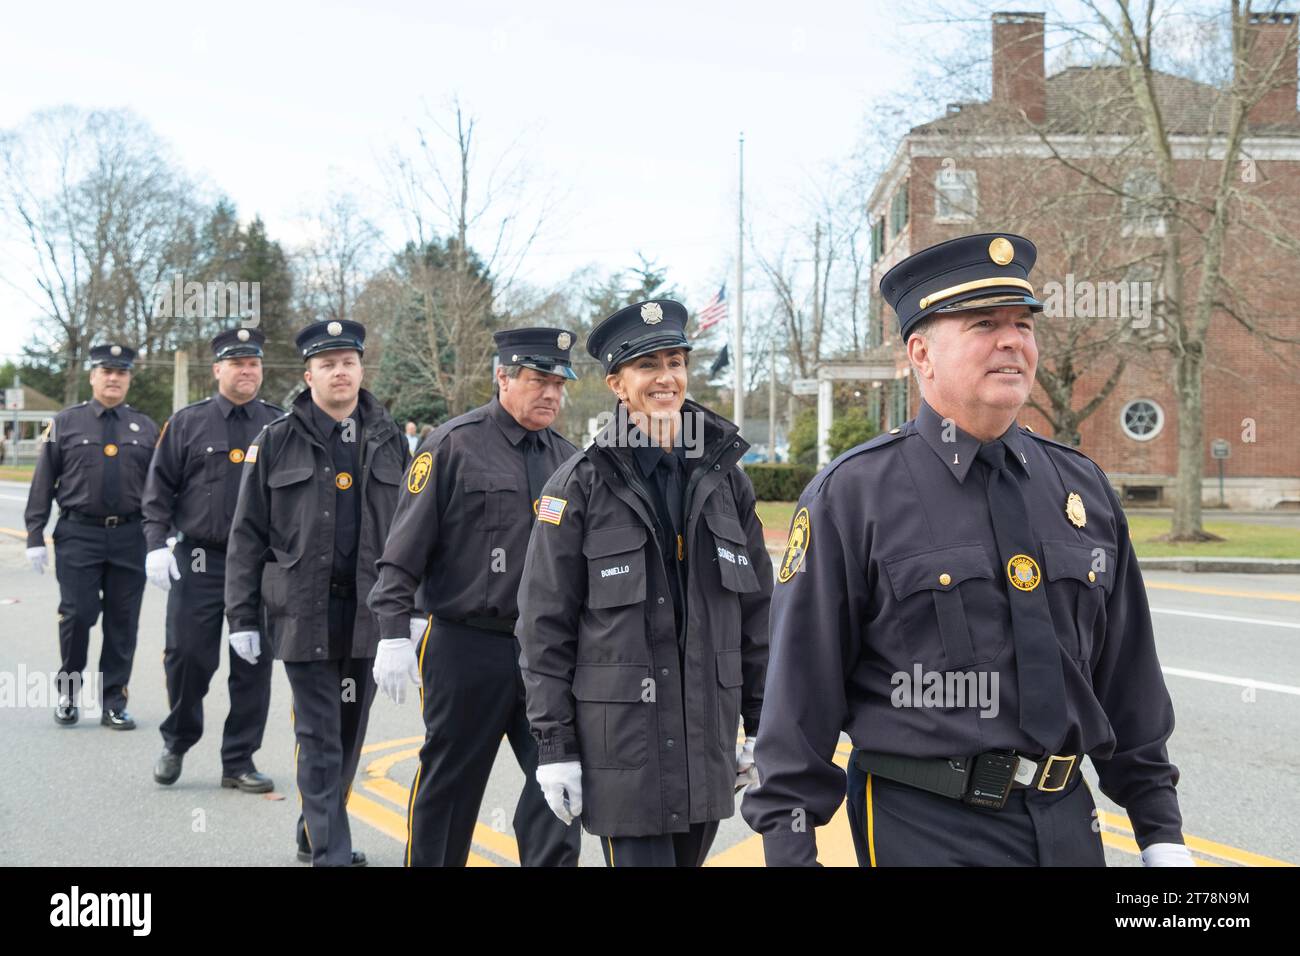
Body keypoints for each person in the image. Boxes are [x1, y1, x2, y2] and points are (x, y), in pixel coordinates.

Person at [742, 233, 1193, 867]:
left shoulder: (1080, 487)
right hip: (924, 824)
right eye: (984, 323)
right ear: (920, 352)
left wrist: (1160, 831)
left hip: (1066, 821)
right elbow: (799, 696)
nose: (1012, 341)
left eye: (1022, 324)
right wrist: (790, 852)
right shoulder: (854, 496)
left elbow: (1128, 675)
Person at [515, 300, 771, 867]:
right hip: (623, 749)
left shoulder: (726, 479)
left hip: (706, 742)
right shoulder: (577, 485)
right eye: (647, 365)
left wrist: (761, 723)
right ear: (617, 384)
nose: (667, 377)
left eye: (676, 361)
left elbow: (757, 614)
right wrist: (555, 748)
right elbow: (543, 625)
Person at [369, 327, 583, 867]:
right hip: (468, 646)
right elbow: (403, 549)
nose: (551, 394)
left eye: (560, 384)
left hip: (549, 654)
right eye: (539, 380)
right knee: (451, 784)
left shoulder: (571, 461)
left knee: (558, 787)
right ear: (503, 377)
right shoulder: (452, 444)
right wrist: (393, 630)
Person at [224, 319, 408, 866]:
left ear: (359, 369)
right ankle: (332, 850)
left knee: (350, 734)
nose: (339, 372)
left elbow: (411, 528)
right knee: (320, 733)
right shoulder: (277, 440)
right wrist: (241, 617)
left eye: (347, 362)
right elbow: (247, 534)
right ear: (309, 375)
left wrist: (412, 610)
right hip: (304, 609)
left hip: (367, 611)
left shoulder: (389, 436)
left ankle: (314, 824)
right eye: (327, 364)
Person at [142, 327, 283, 791]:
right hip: (200, 559)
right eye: (238, 363)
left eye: (254, 363)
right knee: (187, 657)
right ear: (218, 369)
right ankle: (177, 740)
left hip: (258, 565)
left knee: (252, 664)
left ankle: (239, 759)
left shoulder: (279, 425)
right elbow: (158, 490)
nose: (247, 371)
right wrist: (156, 545)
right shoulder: (187, 422)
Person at [24, 344, 160, 729]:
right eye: (106, 371)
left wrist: (163, 537)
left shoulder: (146, 427)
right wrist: (35, 534)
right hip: (78, 534)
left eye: (121, 372)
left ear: (129, 378)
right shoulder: (65, 423)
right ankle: (69, 694)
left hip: (130, 535)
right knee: (77, 615)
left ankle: (114, 701)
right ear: (92, 376)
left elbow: (159, 487)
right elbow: (43, 482)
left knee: (123, 622)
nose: (114, 378)